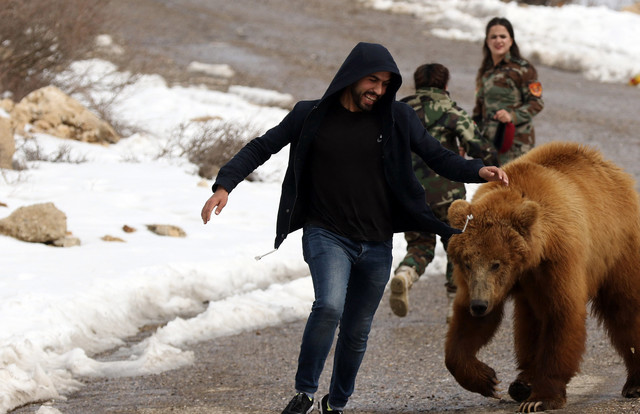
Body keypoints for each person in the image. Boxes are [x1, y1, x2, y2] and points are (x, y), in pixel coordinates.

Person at [200, 42, 509, 414]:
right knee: (329, 306)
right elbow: (261, 147)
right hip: (326, 234)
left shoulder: (397, 119)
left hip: (376, 243)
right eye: (372, 80)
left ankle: (337, 403)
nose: (378, 90)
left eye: (385, 84)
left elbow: (438, 156)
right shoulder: (310, 114)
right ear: (351, 75)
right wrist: (224, 185)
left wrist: (478, 169)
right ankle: (304, 393)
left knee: (357, 331)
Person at [389, 63, 499, 323]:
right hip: (449, 195)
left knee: (420, 245)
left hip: (411, 192)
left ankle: (406, 274)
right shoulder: (452, 111)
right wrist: (493, 162)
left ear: (416, 84)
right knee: (456, 247)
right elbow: (479, 147)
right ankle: (454, 305)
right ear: (445, 85)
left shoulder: (400, 111)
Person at [473, 17, 544, 165]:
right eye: (493, 37)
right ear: (487, 41)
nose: (498, 40)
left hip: (517, 145)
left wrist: (512, 116)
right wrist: (468, 140)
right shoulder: (485, 72)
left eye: (503, 36)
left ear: (511, 41)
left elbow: (536, 103)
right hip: (489, 144)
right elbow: (478, 112)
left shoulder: (523, 69)